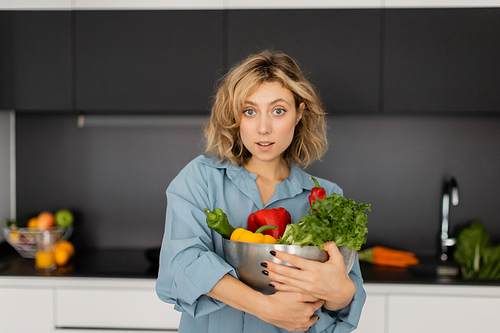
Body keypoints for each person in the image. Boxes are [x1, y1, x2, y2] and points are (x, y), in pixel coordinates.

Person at [156, 50, 366, 332]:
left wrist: (342, 294)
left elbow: (343, 304)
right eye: (250, 111)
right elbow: (181, 265)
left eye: (278, 111)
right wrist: (266, 307)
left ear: (299, 114)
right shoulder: (200, 179)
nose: (263, 128)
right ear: (235, 116)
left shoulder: (327, 196)